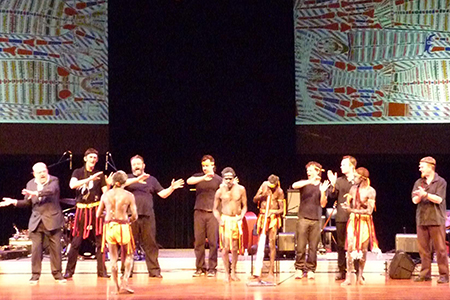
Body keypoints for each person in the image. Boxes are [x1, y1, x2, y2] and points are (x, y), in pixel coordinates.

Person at [0, 162, 66, 284]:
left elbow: (51, 191)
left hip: (52, 219)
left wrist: (36, 193)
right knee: (36, 250)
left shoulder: (53, 181)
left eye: (44, 171)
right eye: (39, 172)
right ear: (34, 174)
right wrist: (13, 202)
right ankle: (35, 275)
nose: (42, 174)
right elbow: (27, 203)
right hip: (36, 221)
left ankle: (57, 275)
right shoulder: (31, 184)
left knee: (55, 249)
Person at [124, 155, 184, 278]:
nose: (136, 166)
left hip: (147, 216)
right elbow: (120, 184)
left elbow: (162, 194)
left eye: (138, 164)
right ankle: (126, 271)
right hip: (131, 216)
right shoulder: (128, 178)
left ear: (143, 165)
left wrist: (171, 188)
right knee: (129, 244)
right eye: (134, 164)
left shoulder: (151, 179)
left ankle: (154, 271)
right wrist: (137, 180)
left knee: (150, 244)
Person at [64, 148, 109, 279]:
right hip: (82, 209)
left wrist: (109, 185)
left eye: (95, 157)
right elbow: (72, 185)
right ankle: (69, 271)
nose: (93, 160)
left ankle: (102, 271)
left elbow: (105, 192)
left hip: (96, 209)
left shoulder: (99, 174)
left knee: (100, 241)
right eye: (91, 157)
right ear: (85, 158)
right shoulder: (77, 172)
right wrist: (89, 179)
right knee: (76, 241)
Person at [97, 171, 138, 294]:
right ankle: (124, 281)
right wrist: (128, 220)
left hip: (109, 226)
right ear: (123, 182)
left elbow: (98, 214)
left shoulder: (105, 195)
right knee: (129, 255)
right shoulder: (129, 195)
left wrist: (108, 216)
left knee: (113, 259)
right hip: (123, 226)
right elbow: (135, 215)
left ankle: (116, 287)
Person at [412, 156, 449, 284]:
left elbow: (439, 199)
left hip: (436, 219)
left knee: (440, 249)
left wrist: (425, 195)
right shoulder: (419, 182)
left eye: (422, 166)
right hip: (422, 219)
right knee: (423, 249)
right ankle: (425, 273)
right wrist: (419, 196)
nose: (419, 168)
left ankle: (444, 274)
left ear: (430, 167)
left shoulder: (441, 182)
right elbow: (414, 200)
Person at [340, 167, 380, 286]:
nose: (354, 178)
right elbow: (349, 204)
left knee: (363, 249)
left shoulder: (370, 191)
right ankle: (348, 277)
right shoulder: (353, 189)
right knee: (350, 247)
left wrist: (352, 210)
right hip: (353, 221)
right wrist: (346, 206)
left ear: (362, 178)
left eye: (356, 176)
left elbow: (369, 211)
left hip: (364, 222)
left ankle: (360, 275)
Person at [292, 161, 329, 280]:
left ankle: (311, 269)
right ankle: (299, 268)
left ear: (317, 171)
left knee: (313, 247)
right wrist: (310, 181)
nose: (308, 172)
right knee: (301, 246)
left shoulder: (323, 186)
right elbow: (294, 185)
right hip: (303, 218)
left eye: (311, 170)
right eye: (307, 170)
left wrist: (323, 191)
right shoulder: (305, 183)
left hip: (316, 220)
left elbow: (323, 204)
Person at [186, 155, 222, 277]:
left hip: (212, 213)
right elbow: (189, 181)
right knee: (199, 241)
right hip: (199, 212)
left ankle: (212, 268)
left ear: (213, 164)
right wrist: (204, 177)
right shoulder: (198, 177)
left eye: (207, 165)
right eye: (203, 166)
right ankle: (200, 267)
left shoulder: (218, 179)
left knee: (213, 242)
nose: (205, 168)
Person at [213, 167, 247, 282]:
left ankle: (233, 271)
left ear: (234, 178)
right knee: (225, 247)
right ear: (223, 179)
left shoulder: (241, 189)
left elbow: (245, 206)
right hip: (225, 220)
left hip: (235, 219)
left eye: (230, 178)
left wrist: (241, 216)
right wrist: (219, 220)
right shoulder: (219, 191)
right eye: (226, 178)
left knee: (235, 247)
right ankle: (226, 273)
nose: (228, 180)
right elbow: (215, 209)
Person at [327, 155, 357, 280]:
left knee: (355, 244)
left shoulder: (358, 180)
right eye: (341, 164)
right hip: (341, 217)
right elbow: (332, 195)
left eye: (344, 164)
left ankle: (356, 270)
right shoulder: (339, 181)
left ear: (352, 166)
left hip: (355, 216)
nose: (341, 167)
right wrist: (333, 184)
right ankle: (341, 270)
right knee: (340, 245)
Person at [252, 174, 285, 281]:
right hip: (262, 216)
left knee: (271, 243)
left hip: (273, 218)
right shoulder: (264, 185)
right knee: (260, 243)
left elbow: (282, 210)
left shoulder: (279, 191)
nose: (271, 188)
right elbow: (254, 199)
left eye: (273, 186)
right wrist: (262, 196)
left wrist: (272, 212)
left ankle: (271, 271)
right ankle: (257, 270)